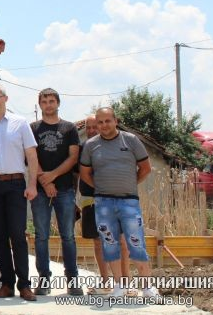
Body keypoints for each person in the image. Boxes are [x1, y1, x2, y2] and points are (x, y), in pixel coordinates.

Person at [79, 107, 160, 299]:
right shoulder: (91, 145)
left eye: (108, 121)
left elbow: (146, 168)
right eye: (100, 122)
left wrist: (130, 184)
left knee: (136, 243)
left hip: (129, 202)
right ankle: (118, 286)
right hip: (103, 203)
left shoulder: (130, 140)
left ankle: (148, 287)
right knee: (109, 244)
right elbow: (85, 173)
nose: (104, 125)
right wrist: (100, 188)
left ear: (115, 121)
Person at [0, 84, 39, 301]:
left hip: (16, 185)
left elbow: (31, 156)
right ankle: (7, 284)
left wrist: (32, 185)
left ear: (6, 98)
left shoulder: (20, 123)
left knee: (18, 236)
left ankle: (25, 284)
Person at [30, 88, 82, 296]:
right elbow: (31, 157)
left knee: (68, 236)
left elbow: (73, 158)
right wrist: (45, 181)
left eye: (52, 101)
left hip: (65, 189)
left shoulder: (69, 128)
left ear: (58, 103)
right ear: (40, 104)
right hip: (41, 191)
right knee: (41, 236)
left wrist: (52, 177)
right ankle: (43, 280)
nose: (48, 104)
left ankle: (73, 280)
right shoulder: (33, 128)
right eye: (44, 101)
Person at [79, 114, 130, 294]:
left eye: (96, 126)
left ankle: (125, 283)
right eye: (89, 127)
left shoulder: (118, 145)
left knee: (121, 241)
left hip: (115, 200)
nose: (92, 130)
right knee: (98, 242)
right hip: (91, 202)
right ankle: (105, 282)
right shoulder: (83, 148)